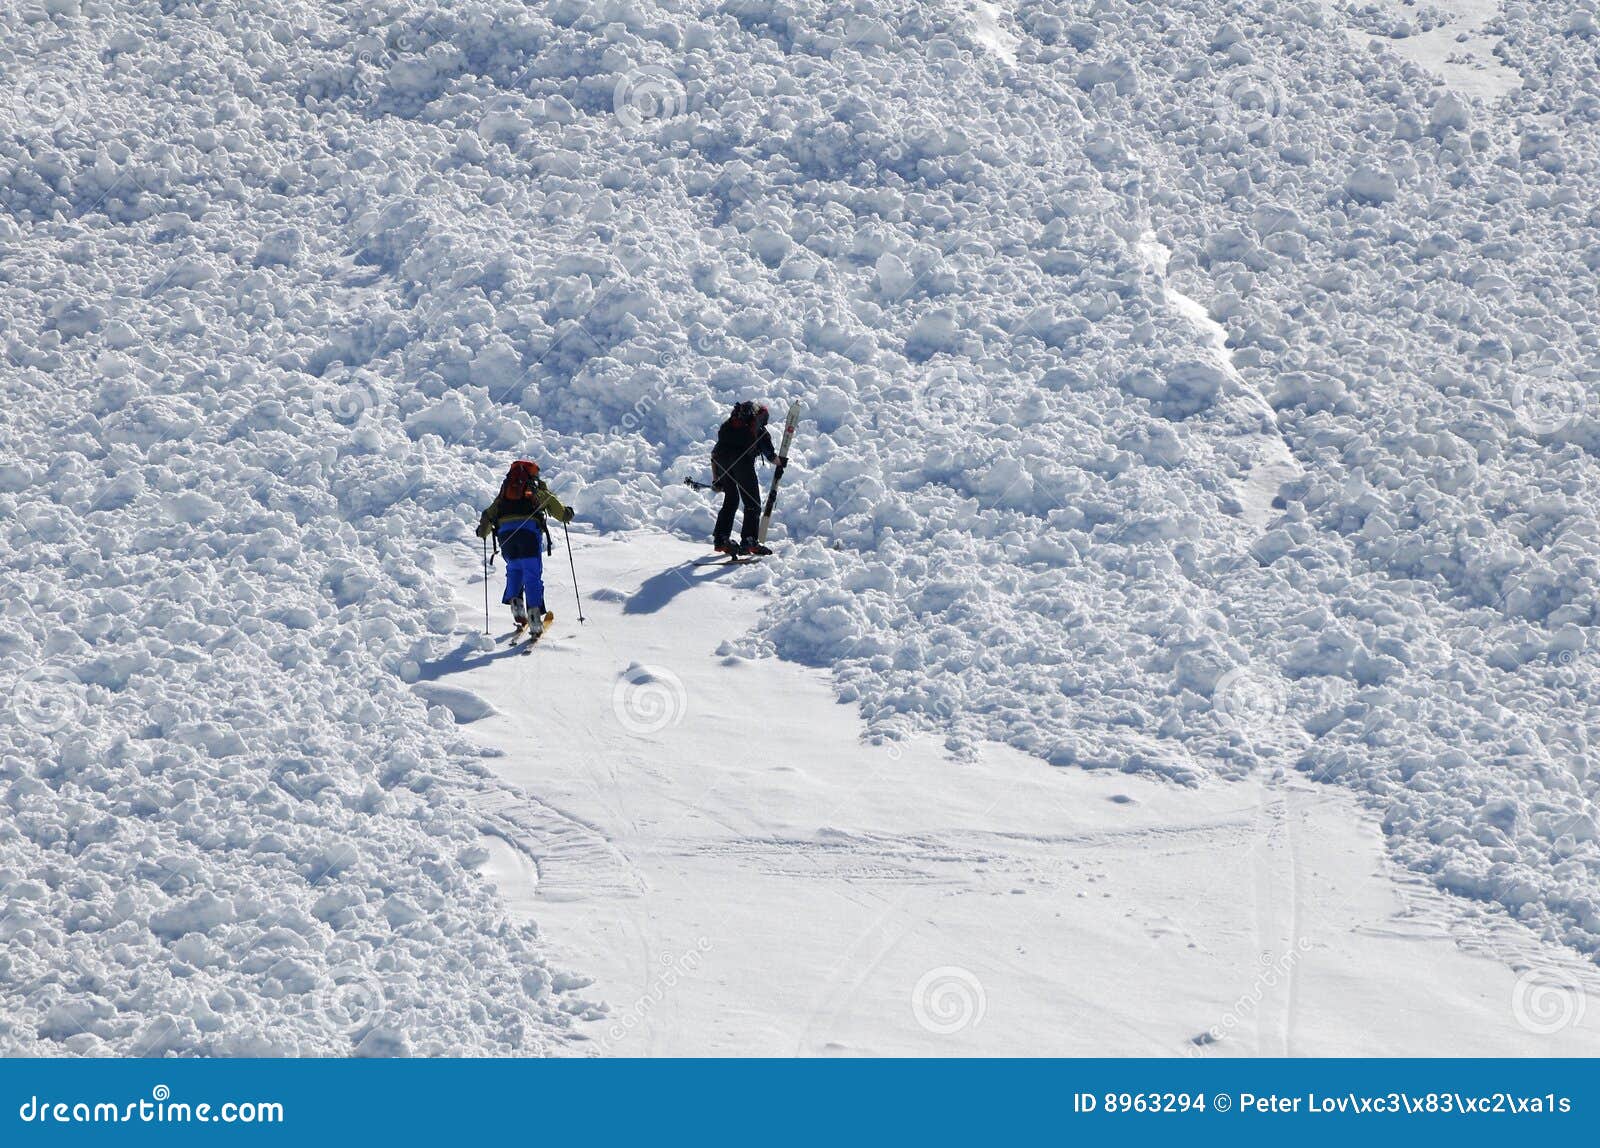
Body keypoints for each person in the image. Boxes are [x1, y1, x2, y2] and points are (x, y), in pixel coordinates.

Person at [476, 460, 574, 635]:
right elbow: (561, 514)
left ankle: (516, 602)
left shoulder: (504, 495)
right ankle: (534, 616)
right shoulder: (535, 490)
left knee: (514, 569)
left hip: (506, 538)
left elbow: (487, 516)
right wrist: (568, 513)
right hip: (528, 534)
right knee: (532, 574)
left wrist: (483, 532)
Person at [711, 400, 783, 556]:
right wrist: (781, 462)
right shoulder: (759, 431)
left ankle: (721, 539)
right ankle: (749, 541)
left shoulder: (729, 426)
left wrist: (716, 479)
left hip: (722, 462)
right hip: (742, 464)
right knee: (753, 503)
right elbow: (771, 457)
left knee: (731, 500)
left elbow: (714, 454)